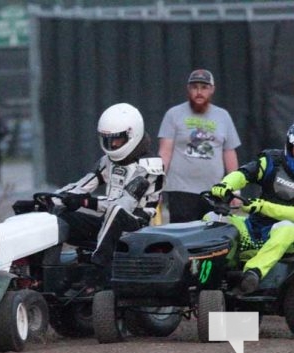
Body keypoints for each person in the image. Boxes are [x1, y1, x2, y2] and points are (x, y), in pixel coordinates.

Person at [49, 103, 164, 283]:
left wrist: (86, 202)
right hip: (109, 223)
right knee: (58, 215)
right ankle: (46, 273)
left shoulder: (150, 166)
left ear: (132, 135)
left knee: (116, 210)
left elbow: (126, 203)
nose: (112, 144)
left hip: (137, 225)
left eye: (117, 139)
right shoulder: (107, 161)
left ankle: (98, 267)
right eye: (108, 139)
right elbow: (83, 185)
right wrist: (58, 198)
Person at [210, 123, 294, 294]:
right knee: (213, 218)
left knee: (288, 228)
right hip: (253, 229)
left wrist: (263, 207)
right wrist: (225, 185)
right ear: (288, 146)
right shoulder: (271, 161)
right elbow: (243, 174)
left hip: (285, 238)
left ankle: (252, 273)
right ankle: (217, 278)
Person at [158, 69, 241, 222]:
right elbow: (165, 153)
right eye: (195, 87)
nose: (199, 92)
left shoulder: (223, 116)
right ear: (188, 89)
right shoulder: (174, 114)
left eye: (204, 87)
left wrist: (235, 187)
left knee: (210, 238)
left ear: (212, 90)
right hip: (180, 190)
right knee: (182, 237)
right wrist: (156, 185)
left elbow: (229, 152)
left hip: (214, 191)